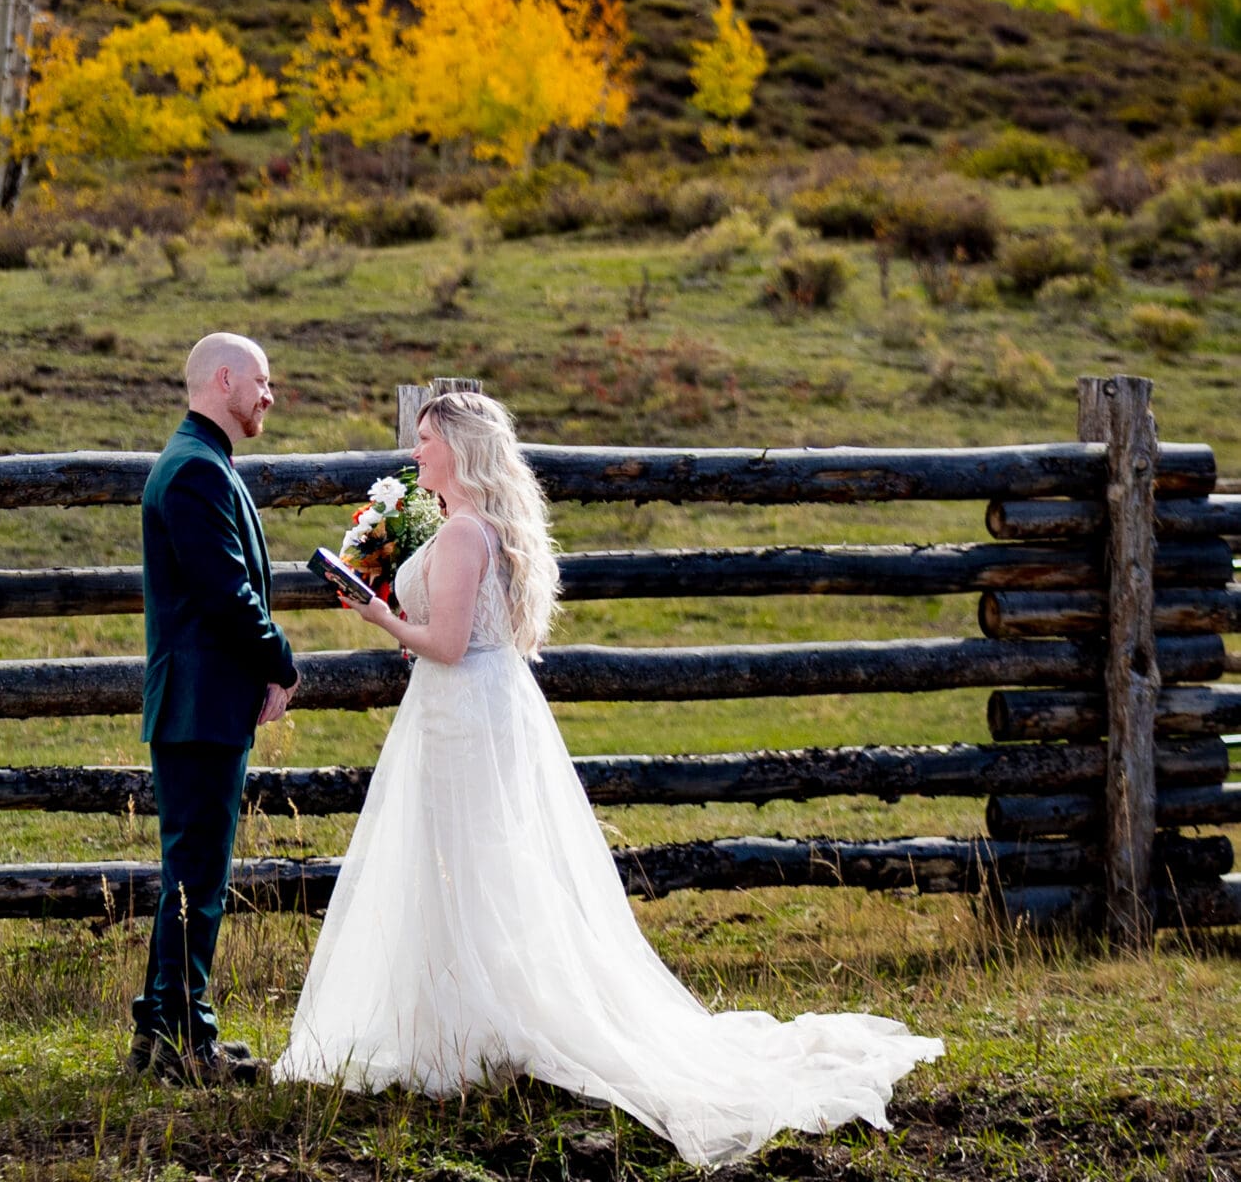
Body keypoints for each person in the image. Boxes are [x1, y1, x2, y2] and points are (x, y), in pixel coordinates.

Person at [275, 389, 942, 1168]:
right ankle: (467, 1018)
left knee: (463, 862)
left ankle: (479, 1026)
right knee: (480, 862)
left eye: (426, 439)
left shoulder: (460, 533)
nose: (415, 451)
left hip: (460, 709)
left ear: (459, 447)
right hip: (483, 704)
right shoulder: (485, 526)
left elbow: (447, 645)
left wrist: (376, 614)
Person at [132, 332, 298, 1083]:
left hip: (201, 704)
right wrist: (280, 661)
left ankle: (160, 1035)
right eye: (261, 381)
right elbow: (226, 594)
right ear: (223, 379)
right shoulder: (196, 469)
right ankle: (185, 1044)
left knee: (189, 876)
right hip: (199, 704)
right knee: (196, 882)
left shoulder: (201, 460)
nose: (269, 396)